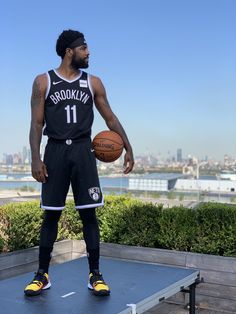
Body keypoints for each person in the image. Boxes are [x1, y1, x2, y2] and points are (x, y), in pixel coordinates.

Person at [24, 29, 134, 297]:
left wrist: (128, 147)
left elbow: (110, 118)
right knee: (51, 214)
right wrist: (36, 158)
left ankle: (95, 275)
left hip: (85, 152)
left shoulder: (93, 83)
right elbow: (37, 123)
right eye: (84, 48)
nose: (89, 52)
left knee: (89, 214)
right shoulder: (43, 81)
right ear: (69, 51)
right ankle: (42, 275)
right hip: (56, 152)